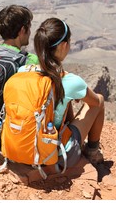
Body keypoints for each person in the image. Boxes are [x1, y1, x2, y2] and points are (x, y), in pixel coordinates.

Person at [28, 17, 105, 166]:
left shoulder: (24, 71)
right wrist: (77, 93)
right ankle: (92, 152)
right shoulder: (69, 81)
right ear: (63, 45)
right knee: (100, 99)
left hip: (24, 144)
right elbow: (95, 102)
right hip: (54, 154)